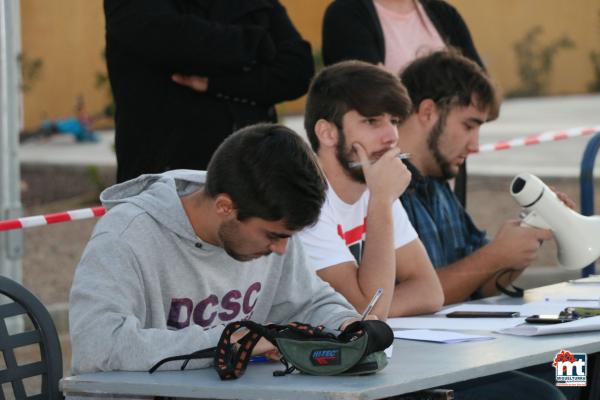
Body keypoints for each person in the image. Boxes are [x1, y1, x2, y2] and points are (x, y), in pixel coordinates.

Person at [69, 123, 362, 374]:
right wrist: (230, 341)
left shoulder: (270, 221)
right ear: (225, 206)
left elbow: (309, 302)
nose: (282, 249)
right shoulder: (126, 236)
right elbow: (97, 347)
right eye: (273, 236)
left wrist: (347, 324)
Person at [396, 50, 562, 304]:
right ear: (428, 111)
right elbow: (403, 299)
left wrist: (528, 237)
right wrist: (496, 255)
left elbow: (479, 285)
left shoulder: (438, 186)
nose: (475, 144)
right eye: (468, 126)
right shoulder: (378, 191)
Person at [104, 0, 314, 182]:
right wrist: (256, 44)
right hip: (166, 182)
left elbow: (296, 71)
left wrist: (215, 83)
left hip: (254, 178)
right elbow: (174, 43)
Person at [298, 60, 444, 320]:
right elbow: (369, 311)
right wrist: (381, 200)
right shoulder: (306, 200)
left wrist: (370, 312)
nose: (392, 137)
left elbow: (429, 291)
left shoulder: (375, 187)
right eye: (372, 121)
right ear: (327, 133)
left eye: (394, 121)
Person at [321, 0, 484, 206]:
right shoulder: (348, 13)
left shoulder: (443, 13)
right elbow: (365, 97)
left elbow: (481, 98)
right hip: (390, 180)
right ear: (426, 110)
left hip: (444, 179)